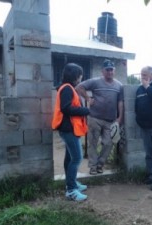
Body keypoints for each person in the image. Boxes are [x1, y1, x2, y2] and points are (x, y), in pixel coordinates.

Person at [75, 59, 124, 175]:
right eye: (107, 70)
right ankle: (93, 167)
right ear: (102, 71)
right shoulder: (95, 82)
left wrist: (120, 117)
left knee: (108, 143)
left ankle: (100, 164)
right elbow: (79, 87)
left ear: (114, 71)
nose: (109, 72)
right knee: (93, 143)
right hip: (94, 118)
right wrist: (87, 98)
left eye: (111, 70)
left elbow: (120, 102)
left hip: (110, 121)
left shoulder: (119, 85)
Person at [52, 63, 90, 201]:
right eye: (80, 75)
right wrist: (85, 111)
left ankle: (71, 183)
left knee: (69, 158)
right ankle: (71, 190)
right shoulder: (67, 89)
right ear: (75, 76)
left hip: (69, 128)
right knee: (77, 158)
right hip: (68, 128)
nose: (81, 78)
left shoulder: (67, 88)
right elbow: (66, 109)